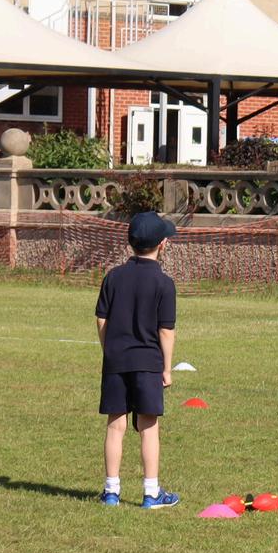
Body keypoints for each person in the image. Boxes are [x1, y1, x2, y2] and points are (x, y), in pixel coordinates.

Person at [95, 212, 181, 508]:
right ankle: (151, 493)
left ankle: (111, 492)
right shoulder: (164, 283)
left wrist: (110, 350)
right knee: (148, 426)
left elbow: (101, 318)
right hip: (148, 363)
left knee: (115, 425)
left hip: (116, 361)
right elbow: (166, 331)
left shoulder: (113, 277)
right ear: (163, 244)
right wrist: (167, 368)